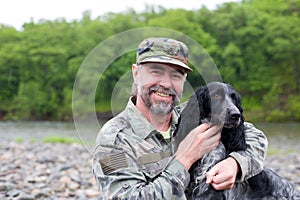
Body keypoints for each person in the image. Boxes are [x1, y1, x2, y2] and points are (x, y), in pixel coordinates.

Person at [93, 37, 268, 199]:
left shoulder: (194, 114)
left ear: (184, 80)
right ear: (136, 73)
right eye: (156, 71)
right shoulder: (113, 141)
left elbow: (255, 137)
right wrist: (185, 159)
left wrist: (235, 164)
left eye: (176, 75)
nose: (166, 84)